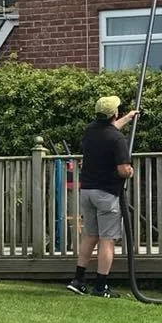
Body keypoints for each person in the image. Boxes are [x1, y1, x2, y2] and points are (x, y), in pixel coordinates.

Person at [67, 95, 138, 298]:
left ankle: (78, 281)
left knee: (90, 236)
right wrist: (130, 172)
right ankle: (100, 287)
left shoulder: (90, 131)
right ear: (114, 113)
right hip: (106, 194)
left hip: (87, 191)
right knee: (107, 240)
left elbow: (109, 129)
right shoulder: (117, 139)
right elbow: (123, 169)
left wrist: (129, 117)